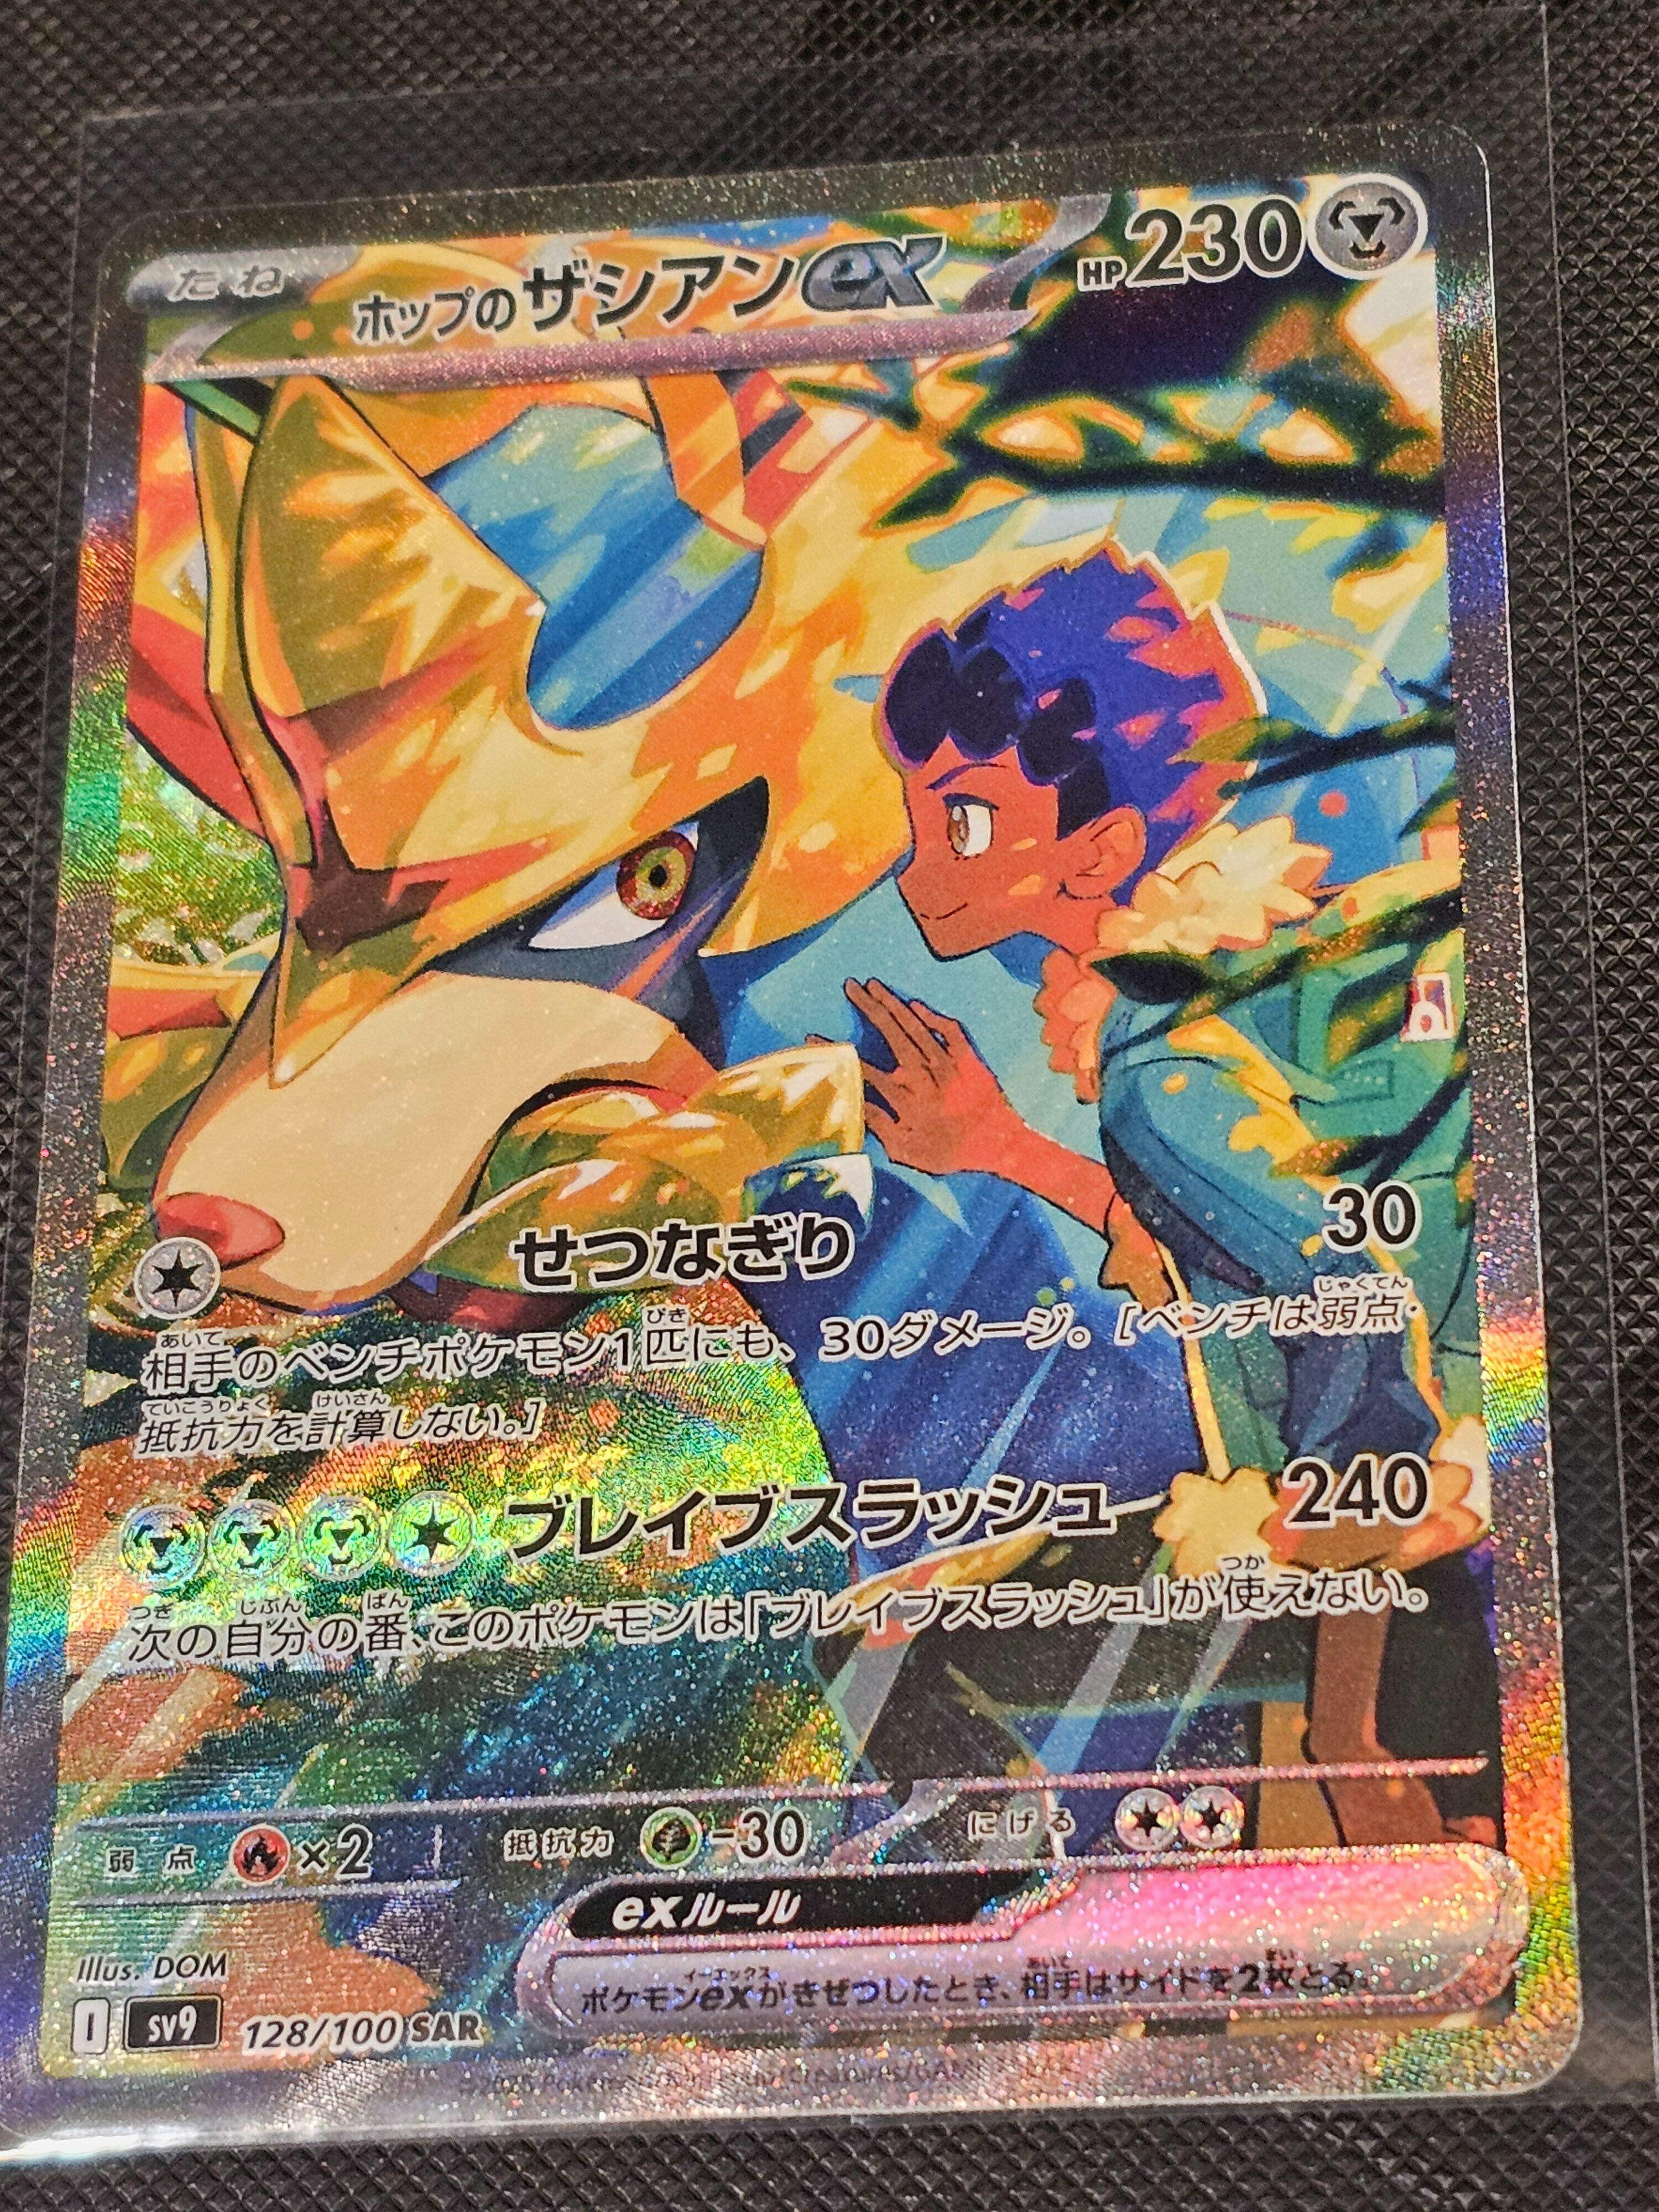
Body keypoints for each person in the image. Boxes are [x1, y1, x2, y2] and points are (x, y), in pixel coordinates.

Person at [847, 542, 1499, 1848]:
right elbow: (1242, 1233)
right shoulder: (1248, 965)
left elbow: (1354, 1310)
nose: (920, 864)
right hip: (1459, 1480)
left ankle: (1026, 1900)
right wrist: (1003, 1147)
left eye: (963, 822)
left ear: (1101, 846)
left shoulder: (1157, 1055)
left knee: (886, 1640)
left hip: (1419, 1514)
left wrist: (1345, 1715)